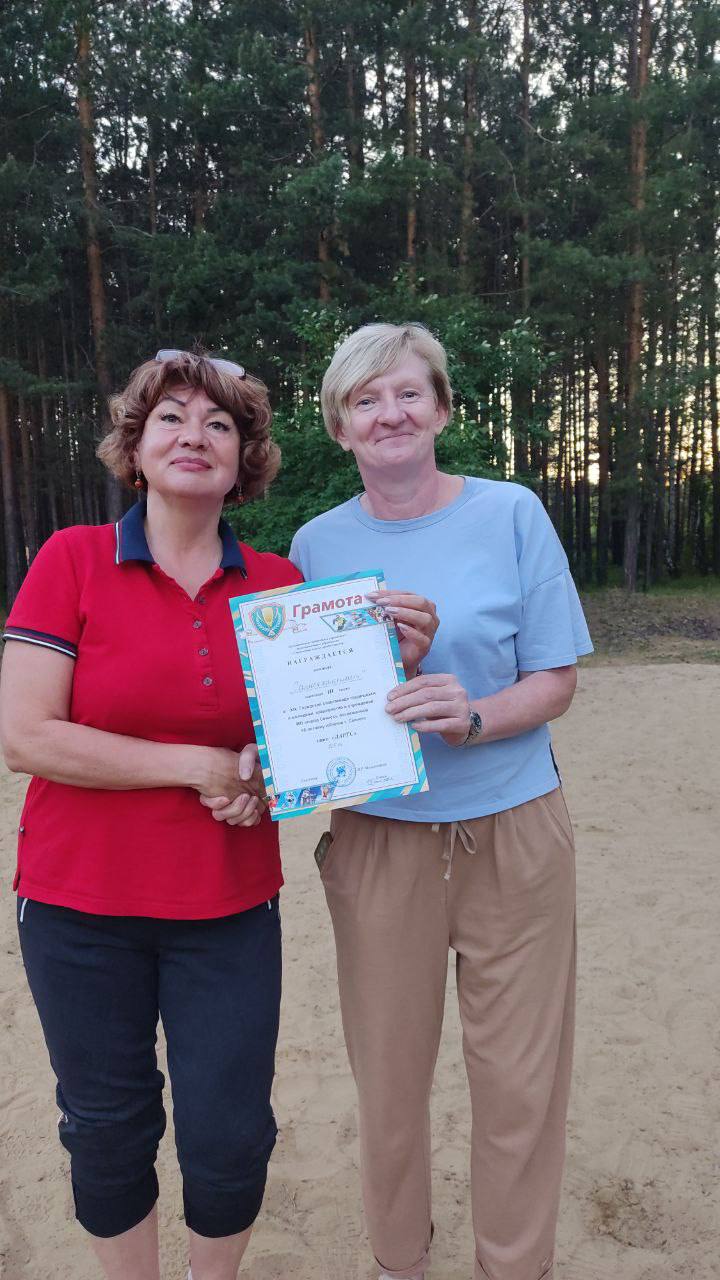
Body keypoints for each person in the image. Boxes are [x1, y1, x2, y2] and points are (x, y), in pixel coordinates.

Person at [289, 323, 593, 1280]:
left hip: (516, 832)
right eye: (365, 399)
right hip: (380, 842)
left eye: (408, 393)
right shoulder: (316, 543)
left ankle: (515, 1266)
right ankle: (399, 1263)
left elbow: (556, 679)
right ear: (340, 425)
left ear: (443, 409)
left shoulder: (512, 513)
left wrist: (474, 715)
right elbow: (314, 710)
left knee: (520, 1085)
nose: (389, 414)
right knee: (388, 1084)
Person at [0, 351, 302, 1280]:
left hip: (228, 909)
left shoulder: (281, 584)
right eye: (170, 418)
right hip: (78, 909)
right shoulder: (72, 559)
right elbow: (25, 736)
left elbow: (304, 749)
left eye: (220, 424)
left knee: (231, 1131)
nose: (193, 436)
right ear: (135, 448)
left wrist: (264, 779)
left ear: (244, 458)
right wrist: (196, 766)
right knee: (106, 1125)